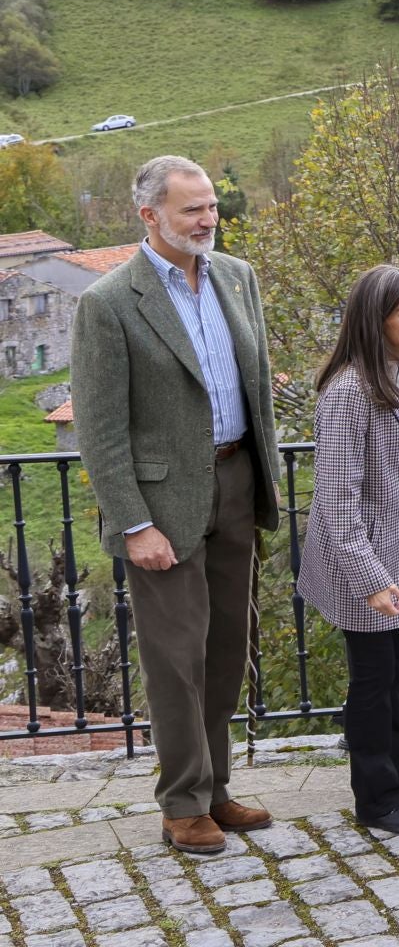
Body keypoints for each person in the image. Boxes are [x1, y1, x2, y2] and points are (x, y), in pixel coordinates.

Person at [70, 155, 281, 854]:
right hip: (161, 505)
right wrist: (134, 523)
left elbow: (257, 389)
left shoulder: (237, 278)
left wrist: (261, 481)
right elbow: (99, 428)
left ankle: (217, 789)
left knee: (227, 650)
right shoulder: (108, 303)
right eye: (191, 208)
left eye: (212, 204)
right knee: (175, 657)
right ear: (149, 216)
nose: (207, 218)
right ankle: (182, 802)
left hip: (236, 483)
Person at [296, 265, 399, 834]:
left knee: (393, 670)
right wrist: (371, 578)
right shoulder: (346, 393)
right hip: (356, 558)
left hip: (396, 551)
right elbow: (336, 503)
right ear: (375, 319)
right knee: (371, 677)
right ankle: (376, 798)